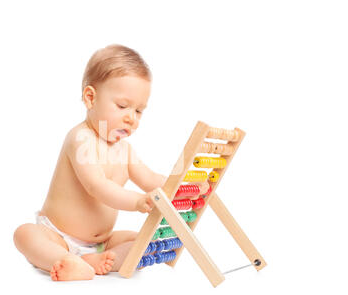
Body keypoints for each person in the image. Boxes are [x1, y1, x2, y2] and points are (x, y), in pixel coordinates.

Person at [13, 44, 208, 281]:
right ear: (90, 98)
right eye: (123, 106)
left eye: (138, 111)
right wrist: (137, 202)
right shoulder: (81, 138)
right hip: (57, 235)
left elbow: (151, 180)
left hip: (103, 243)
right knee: (24, 234)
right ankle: (62, 259)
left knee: (144, 241)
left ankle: (91, 262)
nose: (131, 118)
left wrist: (186, 186)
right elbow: (97, 186)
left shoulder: (124, 150)